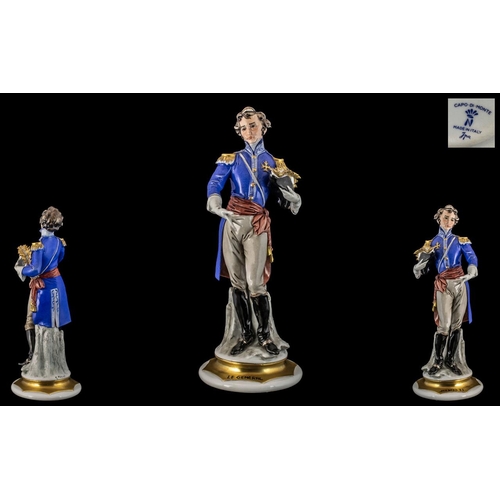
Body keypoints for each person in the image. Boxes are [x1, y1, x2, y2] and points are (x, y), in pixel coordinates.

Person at [206, 106, 301, 357]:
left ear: (263, 127)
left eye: (253, 126)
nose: (249, 131)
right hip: (232, 220)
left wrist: (294, 199)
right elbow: (215, 182)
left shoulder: (275, 163)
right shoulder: (231, 158)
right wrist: (215, 202)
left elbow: (283, 196)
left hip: (257, 223)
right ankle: (245, 334)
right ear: (239, 131)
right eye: (244, 128)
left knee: (255, 283)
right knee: (237, 281)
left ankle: (265, 336)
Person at [413, 204, 478, 376]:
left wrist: (472, 270)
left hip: (460, 282)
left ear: (456, 222)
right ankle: (438, 361)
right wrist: (418, 268)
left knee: (456, 324)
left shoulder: (461, 240)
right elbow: (425, 265)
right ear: (439, 218)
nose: (449, 221)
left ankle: (450, 360)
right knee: (444, 325)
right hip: (443, 284)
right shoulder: (431, 243)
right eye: (446, 218)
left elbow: (471, 257)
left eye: (452, 219)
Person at [14, 206, 72, 374]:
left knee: (30, 320)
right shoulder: (60, 243)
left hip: (43, 288)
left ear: (42, 223)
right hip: (58, 285)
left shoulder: (38, 246)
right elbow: (59, 260)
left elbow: (35, 270)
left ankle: (32, 355)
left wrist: (22, 268)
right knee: (54, 321)